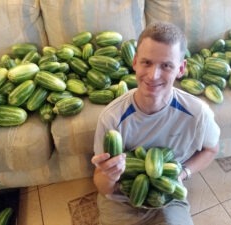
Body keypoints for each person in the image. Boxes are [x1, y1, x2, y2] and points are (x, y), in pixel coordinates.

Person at [91, 21, 220, 225]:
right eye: (147, 63)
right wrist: (109, 176)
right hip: (121, 199)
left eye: (166, 65)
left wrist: (184, 172)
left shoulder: (198, 113)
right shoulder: (112, 117)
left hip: (167, 196)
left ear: (181, 68)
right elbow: (102, 186)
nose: (153, 75)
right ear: (134, 62)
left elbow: (211, 149)